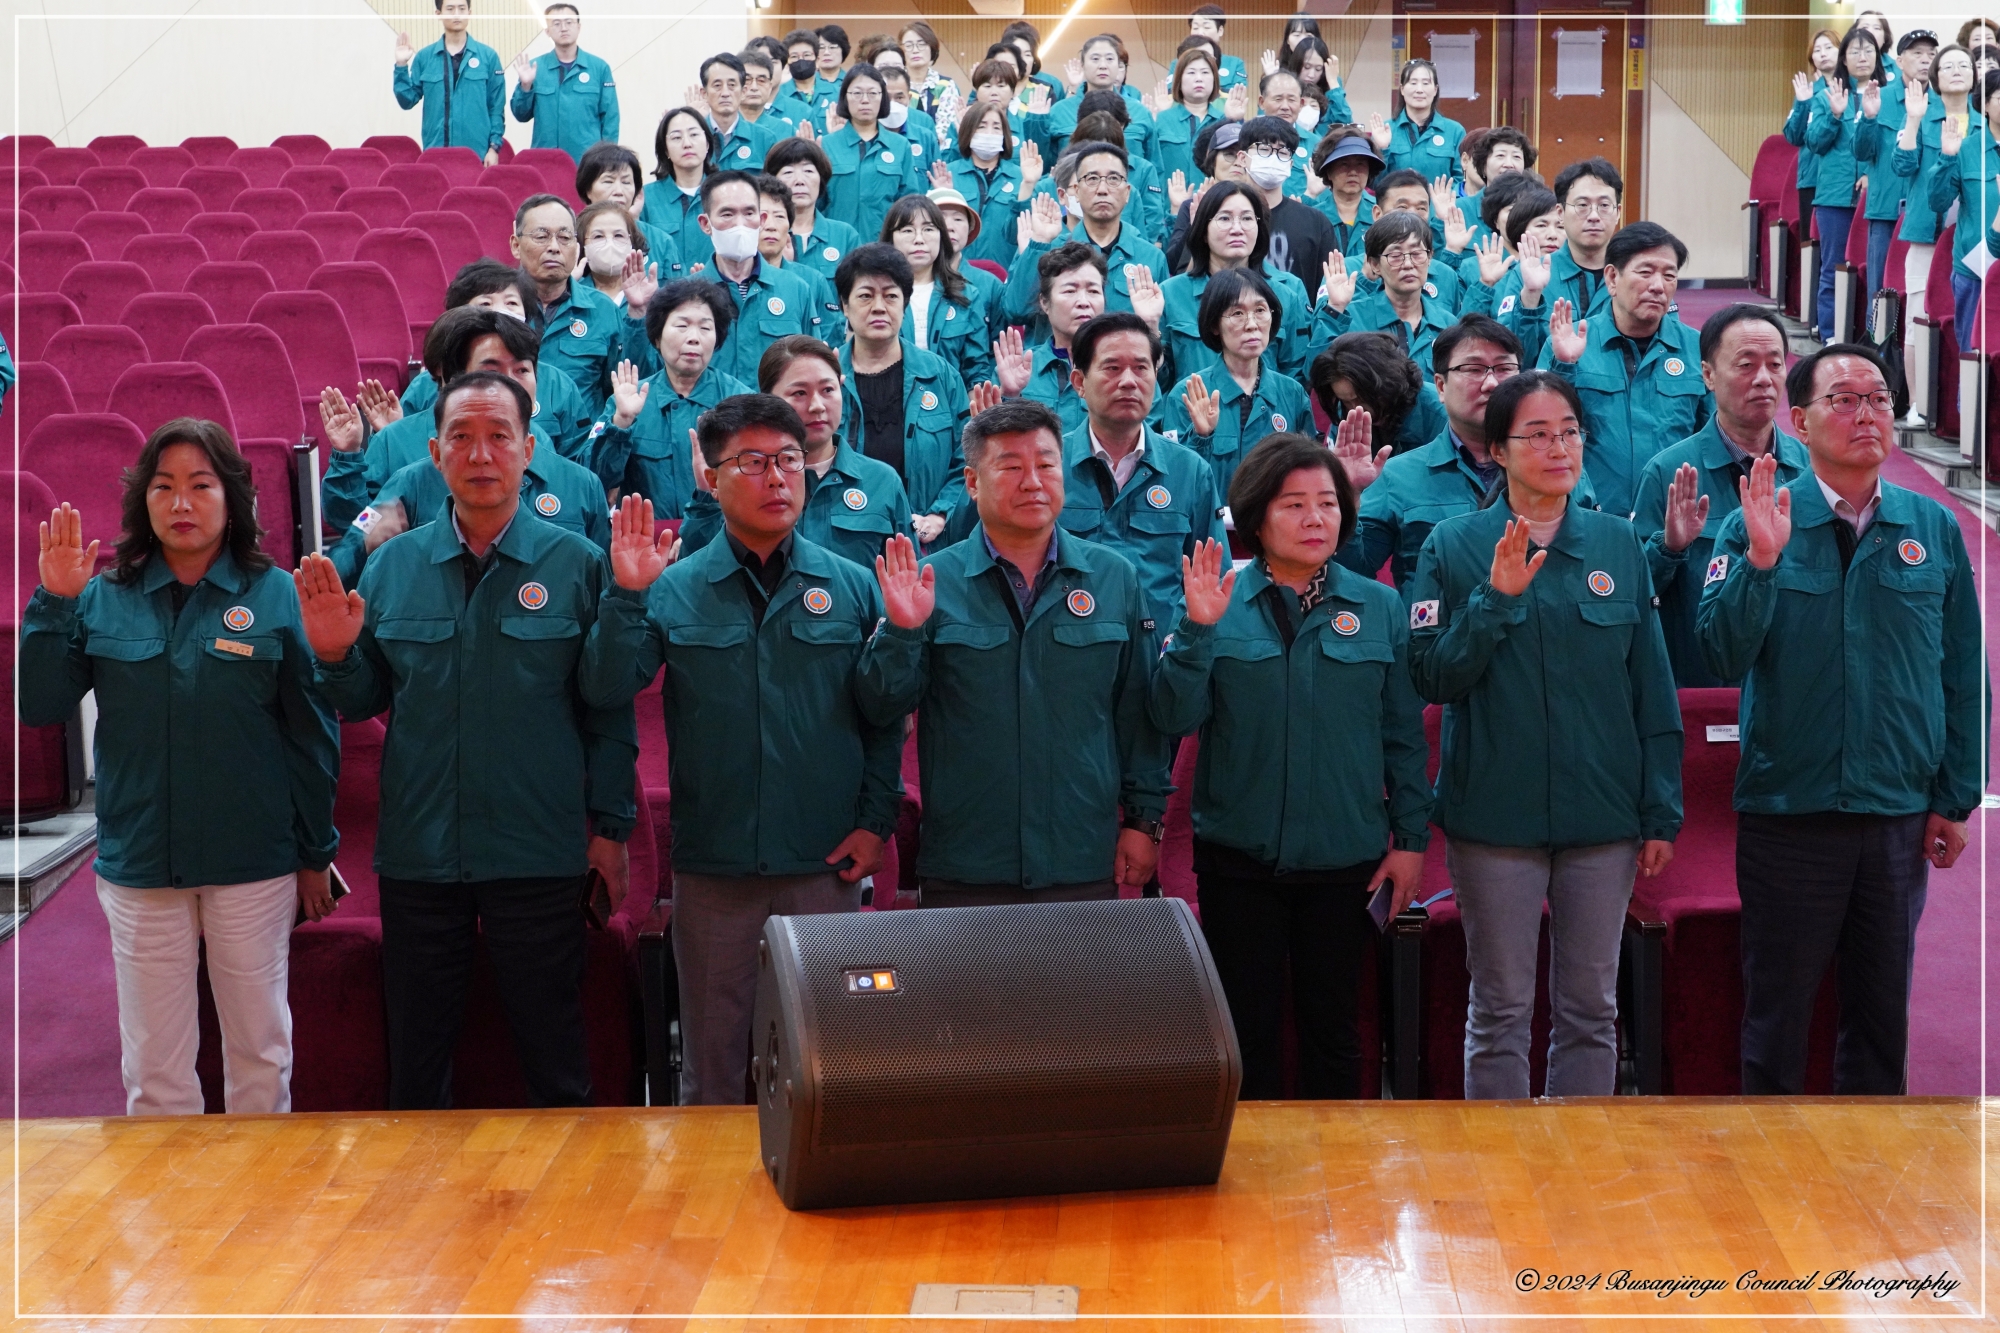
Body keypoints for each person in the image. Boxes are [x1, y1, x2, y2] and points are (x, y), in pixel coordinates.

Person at [297, 372, 637, 1111]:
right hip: (422, 852)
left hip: (537, 848)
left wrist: (610, 830)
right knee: (418, 1063)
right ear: (433, 451)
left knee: (555, 1056)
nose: (480, 454)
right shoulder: (393, 565)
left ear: (529, 449)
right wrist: (333, 654)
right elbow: (365, 697)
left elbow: (608, 712)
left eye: (498, 438)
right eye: (462, 437)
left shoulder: (577, 565)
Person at [577, 394, 901, 1105]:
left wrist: (876, 822)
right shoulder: (672, 586)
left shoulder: (849, 586)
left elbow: (884, 716)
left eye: (789, 460)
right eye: (752, 463)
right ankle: (711, 1214)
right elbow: (605, 686)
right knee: (713, 1071)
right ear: (712, 477)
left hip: (823, 863)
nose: (777, 477)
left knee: (829, 1064)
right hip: (715, 869)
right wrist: (626, 595)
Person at [20, 420, 339, 1116]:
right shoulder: (103, 594)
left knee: (260, 1053)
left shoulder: (277, 593)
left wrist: (317, 852)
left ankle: (262, 1213)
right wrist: (53, 601)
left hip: (251, 860)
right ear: (143, 501)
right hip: (142, 866)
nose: (182, 501)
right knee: (156, 1072)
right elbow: (39, 704)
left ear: (233, 498)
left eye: (201, 484)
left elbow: (311, 737)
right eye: (164, 486)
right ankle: (172, 1225)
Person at [1697, 344, 1987, 1096]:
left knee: (1880, 1015)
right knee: (1779, 1017)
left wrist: (1954, 797)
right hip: (1791, 810)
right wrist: (1762, 563)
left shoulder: (1933, 525)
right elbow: (1720, 654)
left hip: (1894, 810)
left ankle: (1867, 1191)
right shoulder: (1759, 520)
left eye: (1880, 399)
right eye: (1845, 400)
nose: (1868, 414)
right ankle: (1766, 1179)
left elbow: (1962, 671)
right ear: (1799, 420)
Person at [1408, 369, 1682, 1100]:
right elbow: (1433, 677)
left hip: (1604, 816)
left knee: (1591, 1007)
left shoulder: (1619, 544)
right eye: (1537, 433)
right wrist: (1493, 602)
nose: (1558, 447)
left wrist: (1660, 809)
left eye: (1569, 431)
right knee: (1499, 1007)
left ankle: (1578, 1178)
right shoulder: (1453, 545)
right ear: (1497, 449)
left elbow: (1651, 689)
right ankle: (1501, 1182)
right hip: (1495, 816)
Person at [1150, 434, 1429, 1098]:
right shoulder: (1214, 598)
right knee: (1247, 1035)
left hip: (1345, 860)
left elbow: (1402, 736)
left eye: (1328, 504)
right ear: (1255, 517)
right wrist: (1193, 630)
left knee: (1335, 1033)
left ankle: (1337, 1187)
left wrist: (1412, 841)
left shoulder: (1378, 605)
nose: (1314, 519)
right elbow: (1170, 716)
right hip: (1239, 860)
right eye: (1294, 504)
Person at [857, 400, 1172, 904]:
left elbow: (1137, 715)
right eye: (1010, 467)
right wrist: (901, 631)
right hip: (967, 861)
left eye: (1046, 465)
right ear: (973, 482)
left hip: (1081, 856)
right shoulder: (930, 582)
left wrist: (1145, 820)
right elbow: (882, 708)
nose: (1033, 481)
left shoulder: (1115, 577)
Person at [320, 308, 609, 587]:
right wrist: (357, 549)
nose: (509, 383)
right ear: (456, 382)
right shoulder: (411, 482)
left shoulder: (581, 485)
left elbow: (605, 587)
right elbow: (358, 534)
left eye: (522, 370)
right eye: (491, 370)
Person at [1633, 305, 1807, 688]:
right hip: (1703, 684)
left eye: (1775, 365)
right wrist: (1669, 548)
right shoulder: (1670, 473)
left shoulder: (1809, 469)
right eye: (1746, 365)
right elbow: (1635, 594)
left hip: (1792, 685)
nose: (1764, 379)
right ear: (1708, 375)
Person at [1059, 312, 1227, 643]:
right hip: (1069, 652)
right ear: (1079, 382)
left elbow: (1212, 575)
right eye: (1112, 368)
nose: (1128, 381)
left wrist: (1182, 637)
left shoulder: (1190, 471)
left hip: (1162, 655)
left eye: (1140, 368)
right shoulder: (1049, 465)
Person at [679, 338, 911, 564]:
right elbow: (697, 578)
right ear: (768, 400)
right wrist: (707, 498)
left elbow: (907, 581)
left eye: (828, 389)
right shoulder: (745, 476)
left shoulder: (882, 481)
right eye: (800, 393)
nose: (817, 405)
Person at [1336, 315, 1523, 594]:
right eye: (1473, 369)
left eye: (1504, 368)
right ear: (1440, 386)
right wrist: (1346, 497)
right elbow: (1352, 570)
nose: (1491, 384)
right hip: (1435, 634)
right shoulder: (1397, 476)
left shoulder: (1552, 462)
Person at [1542, 221, 1712, 519]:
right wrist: (1564, 366)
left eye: (1669, 275)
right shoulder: (1571, 343)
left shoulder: (1699, 349)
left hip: (1673, 523)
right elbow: (1541, 428)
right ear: (1612, 278)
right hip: (1588, 518)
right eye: (1645, 272)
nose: (1658, 286)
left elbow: (1714, 435)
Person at [619, 170, 823, 387]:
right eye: (727, 214)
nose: (740, 224)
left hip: (774, 418)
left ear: (761, 220)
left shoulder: (796, 289)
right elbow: (646, 375)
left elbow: (811, 368)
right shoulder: (681, 294)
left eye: (749, 213)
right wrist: (639, 312)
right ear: (705, 224)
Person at [837, 243, 972, 548]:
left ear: (905, 304)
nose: (879, 307)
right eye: (865, 295)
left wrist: (940, 513)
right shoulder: (827, 378)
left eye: (891, 296)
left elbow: (967, 457)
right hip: (845, 542)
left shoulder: (941, 376)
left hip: (927, 542)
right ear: (845, 305)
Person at [592, 281, 750, 512]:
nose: (694, 338)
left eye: (705, 328)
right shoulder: (629, 399)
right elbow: (596, 481)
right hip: (646, 540)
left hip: (721, 538)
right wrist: (621, 424)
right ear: (657, 337)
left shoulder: (741, 400)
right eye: (682, 326)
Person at [1159, 266, 1315, 496]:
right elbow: (1175, 482)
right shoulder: (1187, 395)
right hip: (1210, 528)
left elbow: (1308, 475)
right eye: (1237, 313)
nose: (1252, 324)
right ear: (1214, 325)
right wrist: (1201, 437)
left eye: (1260, 310)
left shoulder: (1292, 393)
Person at [1001, 140, 1169, 342]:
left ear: (1127, 193)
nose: (1102, 189)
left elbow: (1162, 339)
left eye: (1114, 179)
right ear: (1077, 191)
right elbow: (1015, 311)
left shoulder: (1150, 258)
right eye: (1092, 179)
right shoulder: (1049, 248)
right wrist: (1039, 242)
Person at [1161, 181, 1313, 388]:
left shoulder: (1284, 295)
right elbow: (1158, 381)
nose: (1237, 228)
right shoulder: (1170, 294)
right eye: (1224, 218)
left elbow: (1296, 376)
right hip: (1192, 415)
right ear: (1203, 231)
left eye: (1247, 218)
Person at [1892, 42, 1973, 420]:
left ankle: (1965, 409)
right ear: (1936, 79)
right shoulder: (1922, 115)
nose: (1957, 71)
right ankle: (1919, 405)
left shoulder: (1987, 121)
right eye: (1948, 67)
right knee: (1918, 321)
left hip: (1975, 236)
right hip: (1928, 234)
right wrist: (1911, 120)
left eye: (1964, 65)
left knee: (1971, 320)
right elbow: (1902, 166)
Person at [1805, 26, 1889, 341]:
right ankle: (1831, 336)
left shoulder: (1889, 95)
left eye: (1868, 50)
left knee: (1873, 271)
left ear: (1878, 55)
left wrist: (1871, 173)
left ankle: (1868, 336)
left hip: (1876, 198)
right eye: (1854, 51)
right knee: (1833, 269)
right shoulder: (1828, 95)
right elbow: (1814, 142)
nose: (1862, 57)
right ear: (1844, 58)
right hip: (1834, 197)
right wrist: (1834, 116)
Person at [1500, 157, 1623, 362]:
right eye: (1582, 205)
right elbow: (1511, 358)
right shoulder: (1528, 273)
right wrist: (1530, 297)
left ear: (1618, 212)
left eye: (1604, 205)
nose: (1593, 215)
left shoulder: (1635, 275)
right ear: (1560, 212)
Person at [512, 193, 622, 406]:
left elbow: (616, 393)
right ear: (516, 245)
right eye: (541, 236)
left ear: (577, 248)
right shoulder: (495, 306)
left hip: (582, 437)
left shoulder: (603, 310)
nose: (554, 247)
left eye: (564, 238)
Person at [881, 193, 996, 393]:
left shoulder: (967, 295)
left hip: (951, 410)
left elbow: (976, 369)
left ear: (941, 237)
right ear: (890, 238)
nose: (918, 239)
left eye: (928, 229)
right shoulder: (875, 295)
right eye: (907, 230)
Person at [1317, 212, 1456, 373]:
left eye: (1417, 254)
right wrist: (1334, 309)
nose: (1408, 264)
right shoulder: (1353, 319)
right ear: (1374, 265)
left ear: (1430, 257)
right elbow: (1318, 373)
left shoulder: (1447, 324)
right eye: (1395, 255)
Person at [1860, 31, 1937, 318]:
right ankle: (1879, 356)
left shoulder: (1941, 104)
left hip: (1924, 214)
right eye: (1917, 53)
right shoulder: (1879, 97)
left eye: (1931, 54)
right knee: (1881, 291)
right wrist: (1868, 118)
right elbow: (1861, 150)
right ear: (1899, 60)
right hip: (1886, 209)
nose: (1925, 59)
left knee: (1921, 290)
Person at [995, 242, 1105, 436]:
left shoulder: (1125, 368)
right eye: (1070, 291)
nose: (1083, 302)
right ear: (1045, 303)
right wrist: (1011, 396)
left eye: (1093, 291)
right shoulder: (1017, 368)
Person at [1928, 67, 2000, 343]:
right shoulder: (1967, 148)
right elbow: (1938, 201)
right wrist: (1947, 157)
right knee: (1973, 355)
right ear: (1984, 104)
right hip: (1976, 267)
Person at [1309, 330, 1448, 461]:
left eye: (1362, 399)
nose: (1356, 409)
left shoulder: (1442, 415)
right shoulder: (1346, 415)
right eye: (1346, 401)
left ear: (1389, 383)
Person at [392, 0, 503, 163]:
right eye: (450, 9)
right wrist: (401, 65)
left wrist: (494, 148)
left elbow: (496, 107)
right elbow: (407, 101)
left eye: (461, 8)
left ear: (469, 13)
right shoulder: (424, 57)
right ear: (438, 14)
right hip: (435, 154)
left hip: (477, 154)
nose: (456, 13)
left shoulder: (488, 57)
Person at [820, 64, 923, 239]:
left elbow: (909, 204)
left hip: (885, 246)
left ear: (883, 98)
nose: (865, 100)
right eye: (857, 93)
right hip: (836, 244)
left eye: (873, 93)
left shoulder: (900, 145)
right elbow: (817, 202)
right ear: (845, 97)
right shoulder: (827, 145)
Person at [508, 4, 618, 164]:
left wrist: (608, 157)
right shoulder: (534, 68)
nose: (564, 28)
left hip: (587, 161)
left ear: (579, 27)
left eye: (569, 22)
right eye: (557, 24)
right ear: (547, 31)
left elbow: (610, 117)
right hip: (545, 160)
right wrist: (526, 86)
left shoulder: (599, 68)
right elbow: (520, 115)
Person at [1237, 115, 1336, 290]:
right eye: (1264, 149)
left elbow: (1329, 288)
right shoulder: (1225, 217)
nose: (1273, 158)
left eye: (1282, 152)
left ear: (1290, 165)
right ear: (1242, 158)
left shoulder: (1315, 223)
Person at [945, 100, 1040, 270]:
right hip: (955, 273)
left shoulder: (1021, 176)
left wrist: (1027, 184)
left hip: (1005, 272)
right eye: (981, 126)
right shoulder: (949, 174)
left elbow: (1019, 234)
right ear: (968, 131)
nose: (989, 133)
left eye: (996, 127)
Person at [765, 136, 864, 287]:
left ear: (821, 179)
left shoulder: (844, 236)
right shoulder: (763, 232)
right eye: (788, 172)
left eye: (808, 171)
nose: (799, 180)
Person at [1047, 34, 1158, 164]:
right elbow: (1048, 166)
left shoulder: (1139, 111)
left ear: (1119, 65)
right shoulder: (1059, 111)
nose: (1103, 65)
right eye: (1095, 59)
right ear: (1082, 64)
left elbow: (1155, 165)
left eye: (1110, 59)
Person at [575, 143, 680, 273]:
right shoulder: (572, 239)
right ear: (587, 189)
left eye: (626, 182)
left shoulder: (661, 241)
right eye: (608, 181)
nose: (619, 191)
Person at [640, 107, 718, 275]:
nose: (687, 143)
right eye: (676, 137)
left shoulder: (724, 194)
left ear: (707, 144)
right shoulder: (645, 199)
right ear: (666, 150)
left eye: (694, 134)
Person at [1370, 58, 1464, 185]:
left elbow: (1462, 181)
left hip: (1441, 204)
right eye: (1413, 83)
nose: (1419, 90)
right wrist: (1383, 149)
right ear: (1402, 89)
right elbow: (1375, 184)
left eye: (1426, 83)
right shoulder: (1386, 130)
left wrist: (1440, 202)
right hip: (1396, 205)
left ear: (1435, 90)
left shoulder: (1454, 131)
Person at [1786, 29, 1844, 237]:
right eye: (1817, 50)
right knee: (1812, 244)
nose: (1823, 53)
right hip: (1812, 177)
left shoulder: (1852, 89)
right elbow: (1793, 136)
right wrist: (1802, 103)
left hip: (1842, 180)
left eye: (1829, 47)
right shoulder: (1807, 91)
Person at [697, 52, 780, 175]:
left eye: (732, 85)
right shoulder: (694, 138)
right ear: (704, 93)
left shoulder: (765, 138)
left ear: (743, 92)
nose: (725, 93)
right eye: (717, 85)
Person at [1157, 47, 1223, 191]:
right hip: (1169, 207)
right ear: (1179, 79)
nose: (1199, 78)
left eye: (1205, 72)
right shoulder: (1161, 120)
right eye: (1191, 72)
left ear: (1214, 79)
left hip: (1212, 206)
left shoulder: (1223, 122)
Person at [1308, 129, 1383, 255]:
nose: (1353, 172)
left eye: (1360, 164)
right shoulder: (1313, 218)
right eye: (1344, 164)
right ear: (1328, 171)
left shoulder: (1382, 214)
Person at [900, 21, 960, 149]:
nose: (915, 50)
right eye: (909, 45)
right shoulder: (895, 85)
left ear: (932, 48)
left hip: (939, 152)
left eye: (921, 44)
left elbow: (946, 128)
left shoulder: (945, 85)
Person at [576, 200, 643, 305]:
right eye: (598, 236)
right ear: (581, 245)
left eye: (618, 235)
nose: (610, 244)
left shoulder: (647, 292)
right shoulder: (573, 293)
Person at [1187, 5, 1247, 94]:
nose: (1200, 33)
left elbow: (1237, 95)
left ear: (1220, 30)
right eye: (1195, 28)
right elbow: (1171, 94)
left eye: (1206, 27)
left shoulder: (1235, 64)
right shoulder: (1177, 63)